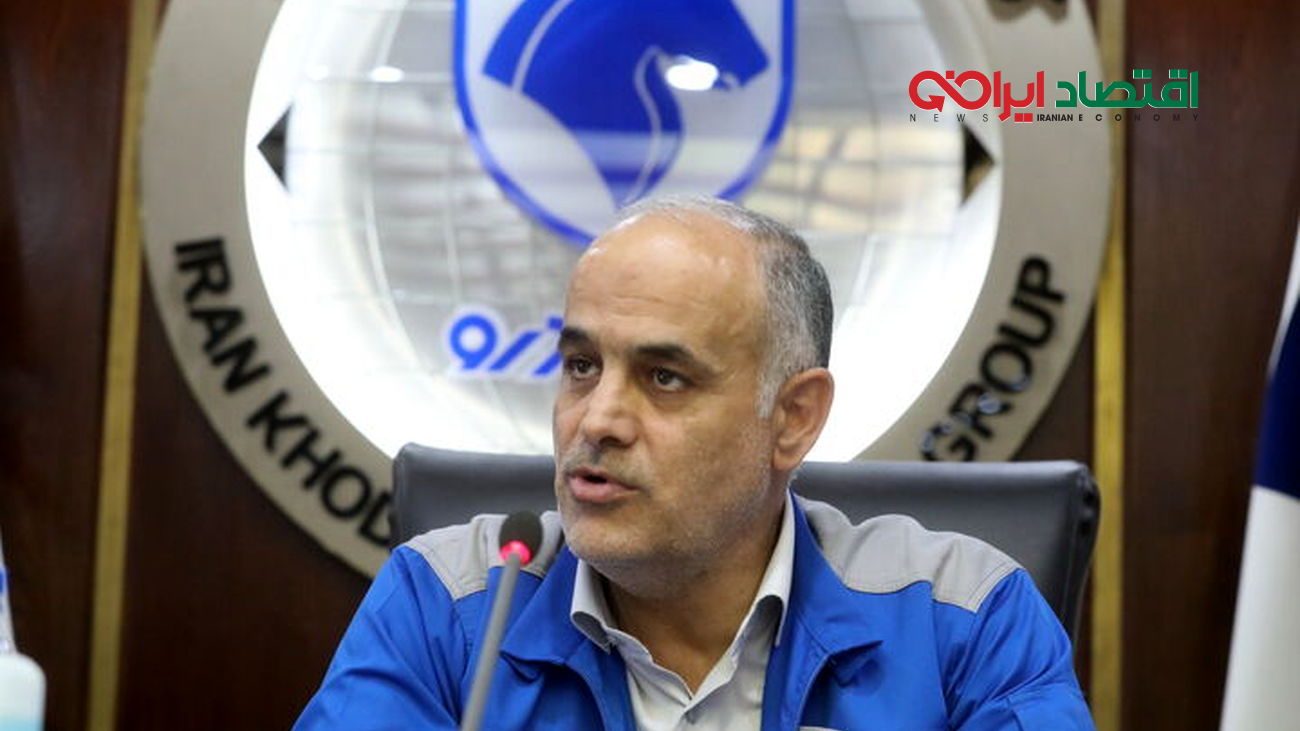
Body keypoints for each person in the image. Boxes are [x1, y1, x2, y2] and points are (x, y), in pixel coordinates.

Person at [294, 197, 1094, 730]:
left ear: (793, 418)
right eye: (581, 366)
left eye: (664, 377)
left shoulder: (962, 619)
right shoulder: (447, 606)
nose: (597, 419)